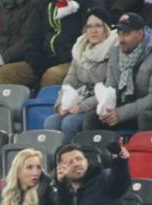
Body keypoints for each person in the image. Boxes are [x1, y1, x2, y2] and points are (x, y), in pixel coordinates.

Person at [84, 13, 152, 133]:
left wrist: (121, 113)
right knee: (92, 118)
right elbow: (111, 87)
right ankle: (100, 146)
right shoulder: (116, 53)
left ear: (140, 34)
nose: (121, 39)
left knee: (145, 116)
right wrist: (104, 108)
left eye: (126, 34)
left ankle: (140, 146)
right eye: (119, 33)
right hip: (131, 108)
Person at [44, 9, 116, 139]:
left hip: (98, 106)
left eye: (98, 26)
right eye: (89, 26)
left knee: (69, 122)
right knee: (51, 121)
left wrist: (81, 107)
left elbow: (109, 89)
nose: (93, 31)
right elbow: (69, 81)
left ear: (106, 28)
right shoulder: (80, 48)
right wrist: (61, 104)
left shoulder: (113, 50)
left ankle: (76, 152)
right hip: (78, 101)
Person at [0, 0, 86, 87]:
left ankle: (49, 96)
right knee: (5, 73)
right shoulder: (43, 4)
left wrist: (64, 56)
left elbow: (85, 39)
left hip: (71, 61)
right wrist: (36, 60)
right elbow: (32, 36)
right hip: (44, 59)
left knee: (52, 76)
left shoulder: (82, 4)